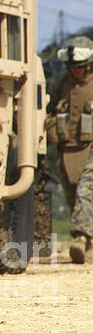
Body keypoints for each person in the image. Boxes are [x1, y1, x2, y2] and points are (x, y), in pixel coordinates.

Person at [45, 35, 93, 263]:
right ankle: (89, 242)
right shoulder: (61, 85)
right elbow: (49, 111)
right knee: (73, 197)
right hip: (67, 152)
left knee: (86, 191)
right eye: (73, 67)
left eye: (81, 67)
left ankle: (81, 238)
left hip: (91, 149)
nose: (77, 71)